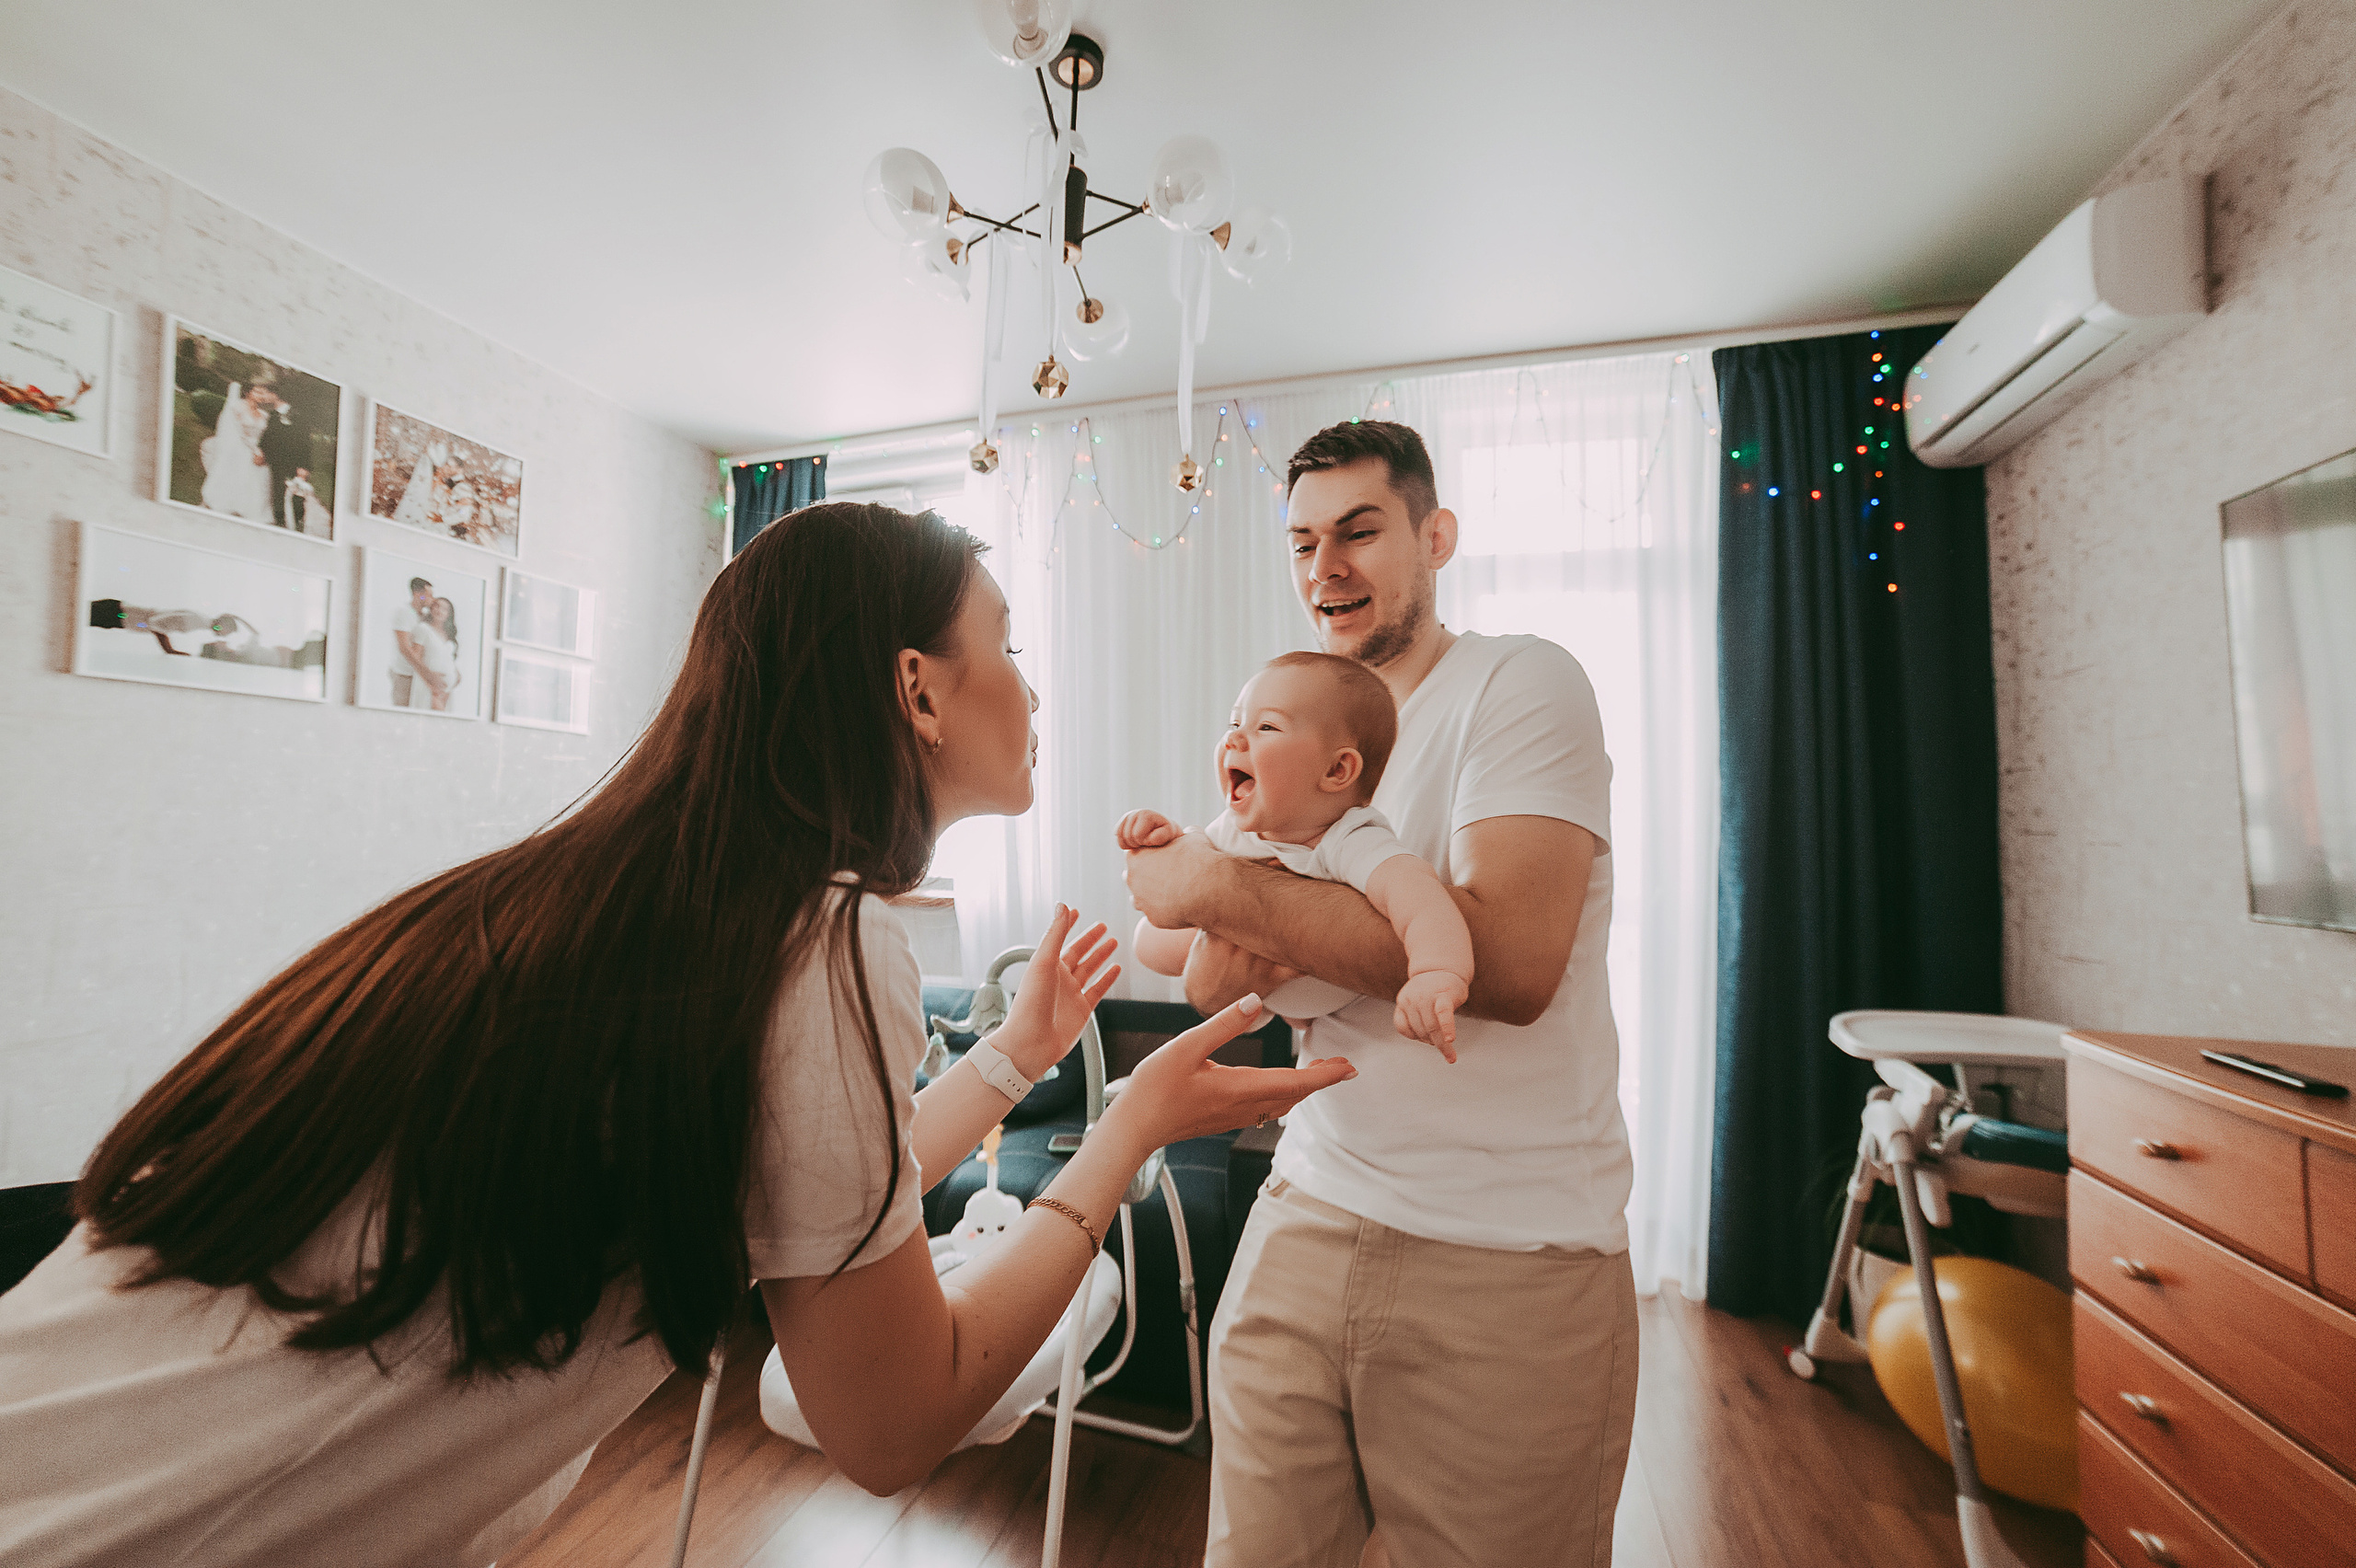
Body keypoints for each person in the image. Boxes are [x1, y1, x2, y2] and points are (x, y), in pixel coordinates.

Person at [0, 502, 1357, 1567]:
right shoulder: (821, 938)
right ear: (919, 690)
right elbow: (892, 1421)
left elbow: (814, 1198)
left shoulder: (621, 903)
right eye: (1006, 647)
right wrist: (1127, 1131)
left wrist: (1014, 1057)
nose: (1035, 694)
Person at [1125, 422, 1636, 1568]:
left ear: (1434, 536)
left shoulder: (1518, 681)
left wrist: (1231, 898)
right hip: (1306, 1208)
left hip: (1507, 1253)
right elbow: (1173, 926)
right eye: (1303, 542)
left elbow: (1510, 966)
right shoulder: (1293, 730)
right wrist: (1213, 896)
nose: (1326, 568)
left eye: (1358, 532)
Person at [1116, 651, 1473, 1056]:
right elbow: (1192, 862)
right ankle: (1275, 1012)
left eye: (1266, 726)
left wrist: (1436, 973)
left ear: (1336, 770)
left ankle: (1283, 1011)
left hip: (1316, 986)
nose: (1234, 739)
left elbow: (1422, 900)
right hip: (1256, 991)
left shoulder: (1349, 839)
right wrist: (1167, 838)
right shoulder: (1236, 826)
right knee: (1147, 942)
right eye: (1235, 724)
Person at [198, 375, 276, 523]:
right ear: (248, 392)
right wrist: (253, 450)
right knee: (237, 473)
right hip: (239, 448)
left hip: (256, 450)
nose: (260, 395)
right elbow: (237, 433)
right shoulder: (237, 407)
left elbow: (265, 437)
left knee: (258, 478)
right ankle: (226, 504)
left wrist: (260, 451)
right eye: (257, 392)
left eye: (262, 393)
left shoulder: (264, 415)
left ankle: (247, 509)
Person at [407, 595, 463, 712]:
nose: (439, 610)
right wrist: (431, 681)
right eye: (436, 606)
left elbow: (446, 658)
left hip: (447, 689)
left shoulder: (449, 634)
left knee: (444, 719)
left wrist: (456, 674)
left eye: (444, 609)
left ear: (449, 614)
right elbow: (415, 658)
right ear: (431, 609)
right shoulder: (423, 629)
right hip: (429, 685)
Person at [388, 575, 435, 709]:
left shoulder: (424, 616)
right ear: (418, 594)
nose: (432, 599)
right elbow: (404, 648)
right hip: (404, 674)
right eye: (429, 595)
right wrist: (427, 673)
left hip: (418, 677)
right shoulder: (404, 612)